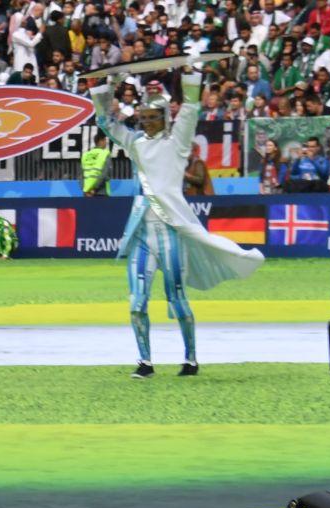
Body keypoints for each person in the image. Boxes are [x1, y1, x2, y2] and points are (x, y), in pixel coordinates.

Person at [90, 68, 264, 379]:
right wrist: (105, 88)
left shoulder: (177, 145)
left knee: (178, 301)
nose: (145, 121)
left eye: (151, 116)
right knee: (135, 303)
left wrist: (192, 75)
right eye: (142, 116)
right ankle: (145, 362)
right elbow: (106, 123)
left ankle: (191, 359)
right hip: (141, 233)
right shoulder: (135, 143)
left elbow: (191, 110)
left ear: (164, 118)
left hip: (170, 233)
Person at [81, 129, 111, 195]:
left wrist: (86, 190)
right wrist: (94, 189)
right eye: (105, 140)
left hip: (87, 193)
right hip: (102, 192)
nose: (106, 142)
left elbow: (81, 175)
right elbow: (105, 174)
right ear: (101, 141)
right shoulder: (105, 153)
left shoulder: (85, 155)